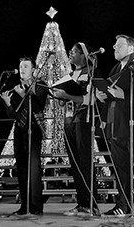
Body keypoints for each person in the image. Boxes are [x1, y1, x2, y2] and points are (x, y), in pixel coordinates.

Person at [53, 42, 101, 216]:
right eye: (70, 51)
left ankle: (92, 204)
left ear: (84, 55)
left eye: (74, 51)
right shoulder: (71, 74)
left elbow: (89, 100)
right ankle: (81, 203)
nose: (70, 53)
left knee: (85, 163)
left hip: (83, 121)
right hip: (69, 122)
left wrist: (67, 95)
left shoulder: (91, 73)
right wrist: (61, 98)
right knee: (75, 164)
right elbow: (66, 99)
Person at [96, 34, 134, 216]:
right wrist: (101, 97)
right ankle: (123, 205)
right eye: (114, 44)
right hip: (116, 126)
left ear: (131, 48)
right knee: (121, 168)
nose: (114, 47)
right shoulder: (115, 68)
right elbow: (111, 94)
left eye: (119, 45)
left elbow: (129, 93)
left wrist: (126, 96)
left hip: (133, 125)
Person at [0, 57, 48, 215]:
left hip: (34, 127)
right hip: (20, 128)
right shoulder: (17, 87)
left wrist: (24, 94)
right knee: (21, 167)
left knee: (33, 168)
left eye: (26, 66)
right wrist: (8, 103)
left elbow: (37, 106)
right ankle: (24, 204)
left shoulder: (40, 84)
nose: (22, 69)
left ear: (33, 69)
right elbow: (13, 114)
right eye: (21, 66)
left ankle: (35, 206)